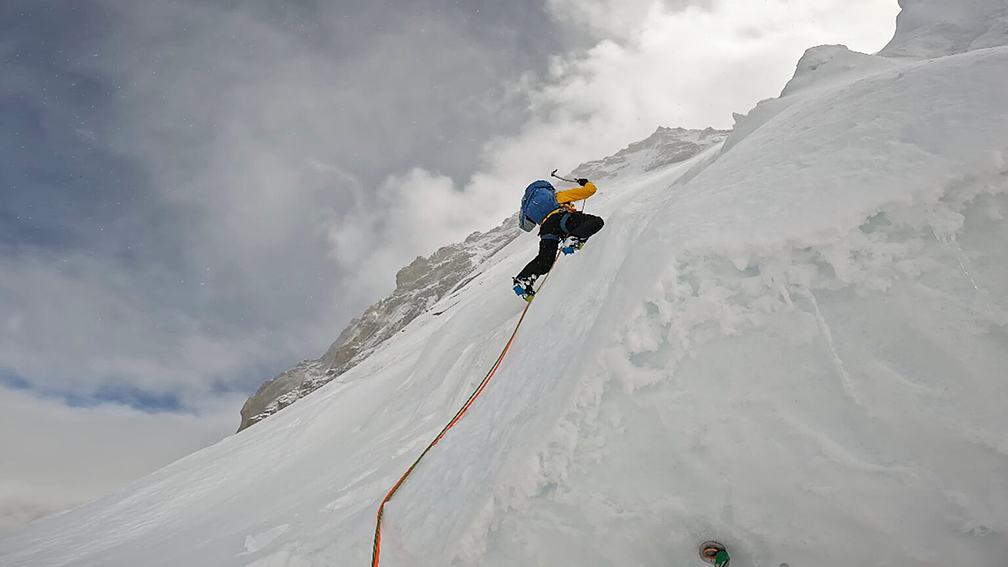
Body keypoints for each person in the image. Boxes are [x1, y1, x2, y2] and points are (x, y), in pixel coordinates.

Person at [513, 177, 604, 299]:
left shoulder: (529, 209)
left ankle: (523, 279)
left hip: (546, 229)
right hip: (563, 219)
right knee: (596, 222)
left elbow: (527, 224)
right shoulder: (557, 196)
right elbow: (590, 191)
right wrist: (585, 183)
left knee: (545, 260)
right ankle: (574, 240)